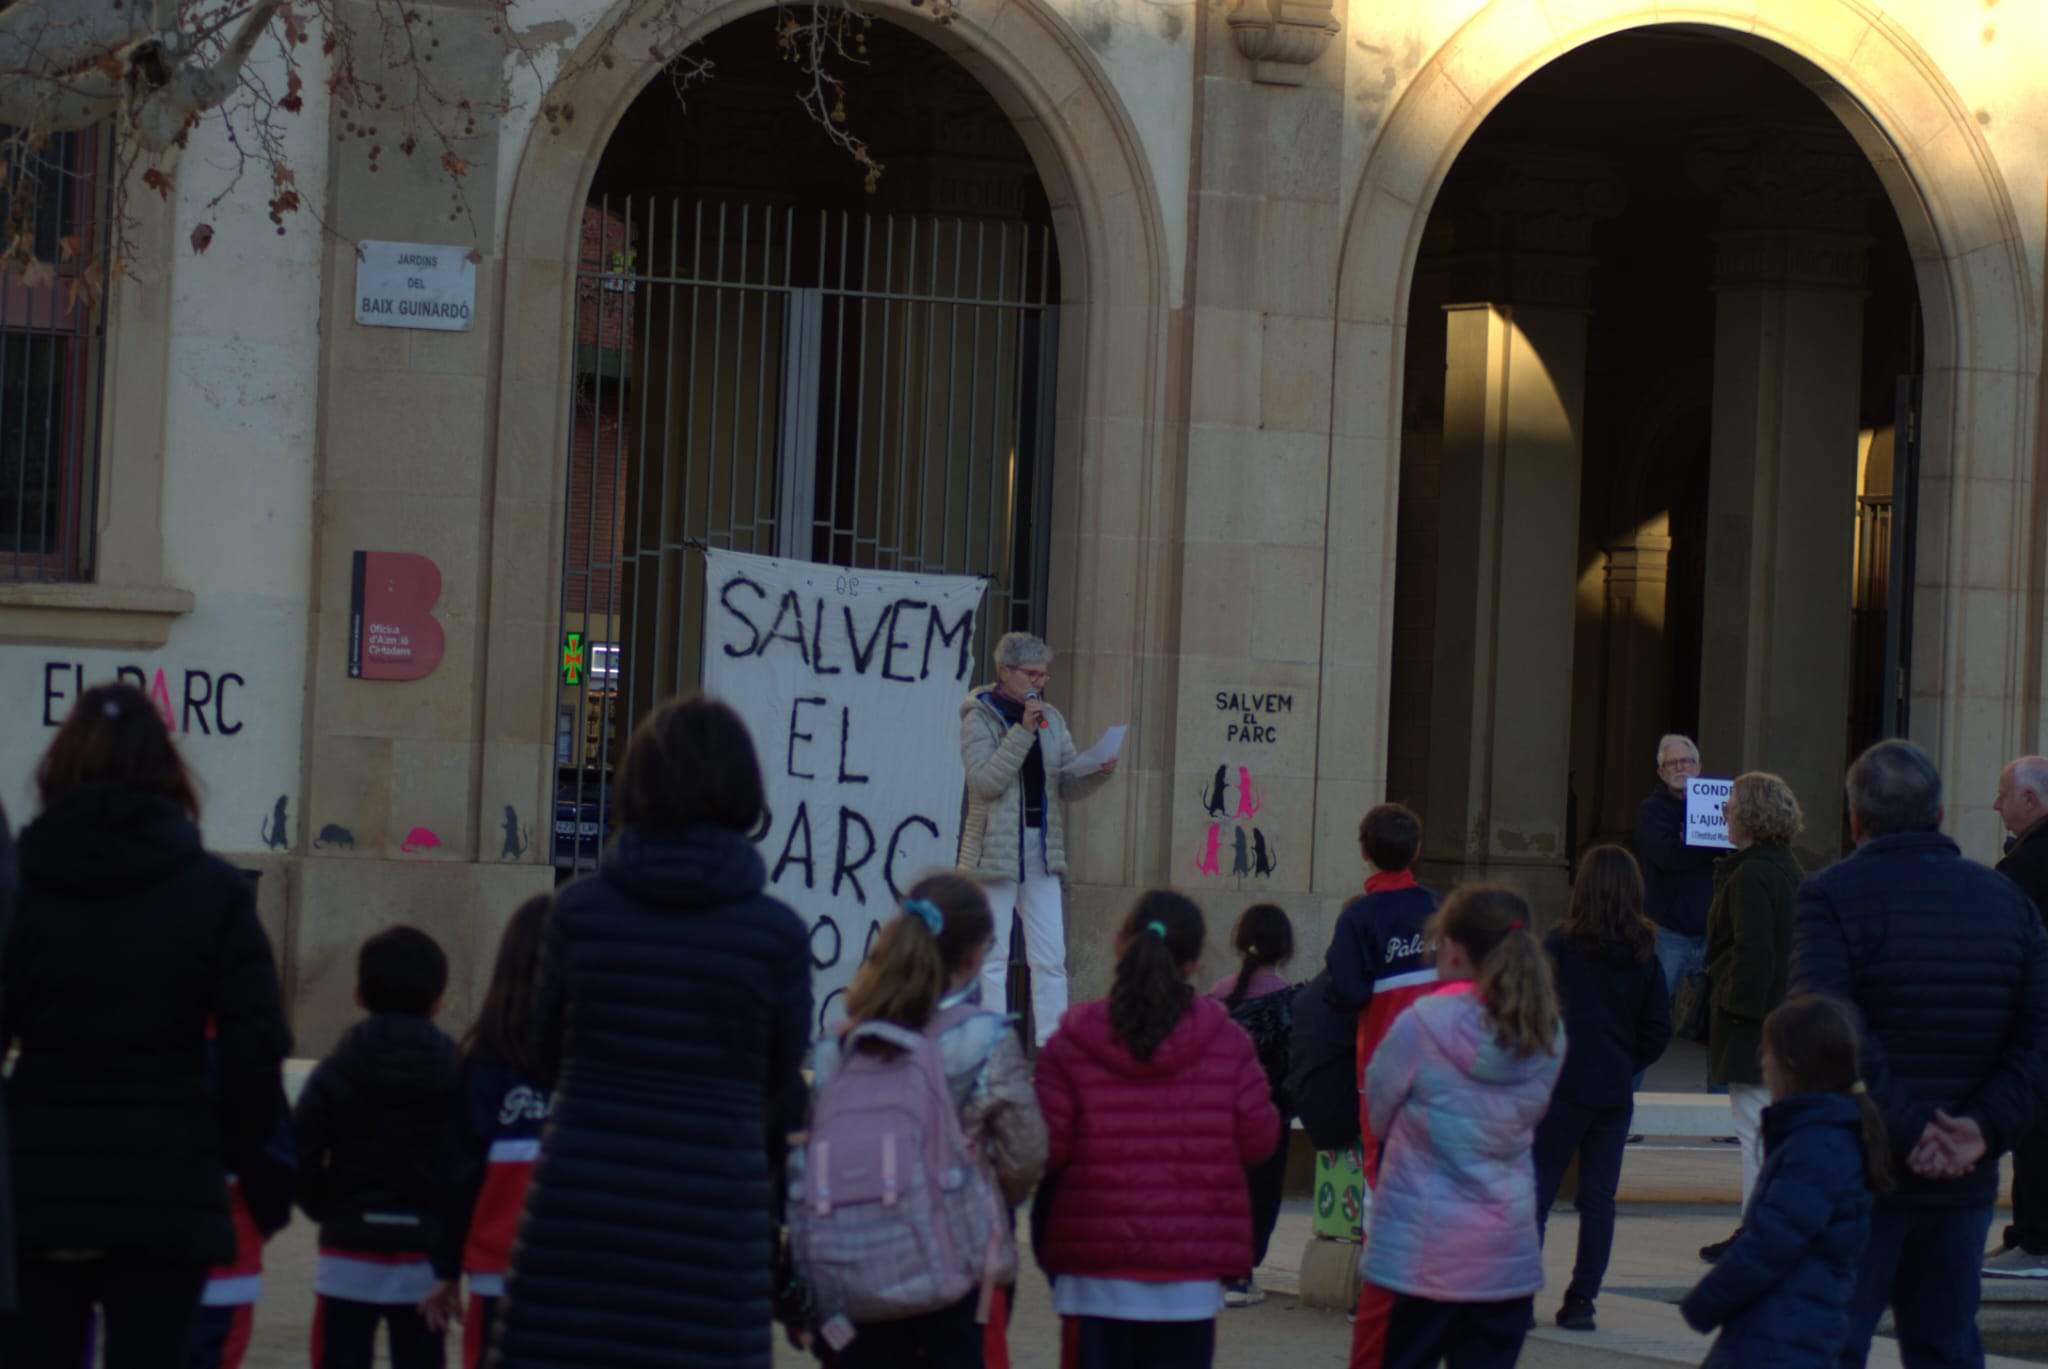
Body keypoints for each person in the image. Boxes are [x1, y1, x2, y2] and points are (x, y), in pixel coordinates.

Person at [495, 695, 812, 1369]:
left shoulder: (577, 913)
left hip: (583, 1198)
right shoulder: (775, 934)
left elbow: (542, 1055)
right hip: (714, 1207)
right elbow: (781, 1083)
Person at [0, 683, 290, 1368]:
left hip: (42, 1179)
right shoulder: (214, 890)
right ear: (169, 771)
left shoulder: (25, 885)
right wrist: (262, 1180)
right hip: (170, 1180)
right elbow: (254, 1050)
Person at [1789, 738, 2048, 1367]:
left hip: (1863, 1162)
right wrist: (1977, 1131)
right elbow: (2038, 1041)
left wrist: (1909, 1129)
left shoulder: (1829, 896)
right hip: (1962, 1170)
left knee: (1834, 1340)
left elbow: (1825, 1030)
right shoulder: (2005, 901)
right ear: (1937, 814)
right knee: (1947, 1345)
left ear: (1855, 819)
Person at [805, 874, 1047, 1368]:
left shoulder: (838, 1046)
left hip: (853, 1265)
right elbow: (1025, 1157)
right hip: (959, 1269)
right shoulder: (985, 1039)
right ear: (977, 955)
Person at [1034, 890, 1280, 1368]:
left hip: (1093, 1274)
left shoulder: (1073, 1039)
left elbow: (1047, 1146)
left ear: (1119, 944)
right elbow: (1260, 1137)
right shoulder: (1227, 1043)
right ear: (1193, 963)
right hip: (1190, 1276)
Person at [1361, 886, 1563, 1369]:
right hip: (1504, 1258)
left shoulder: (1421, 1023)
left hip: (1421, 1256)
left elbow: (1378, 1112)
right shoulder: (1547, 1033)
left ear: (1452, 947)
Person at [1680, 995, 1888, 1367]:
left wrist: (1705, 1302)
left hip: (1784, 1335)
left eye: (1767, 1054)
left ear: (1790, 1065)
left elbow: (1771, 1241)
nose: (1762, 1063)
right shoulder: (1822, 1134)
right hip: (1792, 1327)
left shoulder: (1816, 1145)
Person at [294, 926, 459, 1369]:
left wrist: (325, 1206)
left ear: (359, 995)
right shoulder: (455, 1070)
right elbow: (467, 1161)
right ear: (437, 999)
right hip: (425, 1254)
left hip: (348, 1246)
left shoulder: (340, 1066)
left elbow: (301, 1150)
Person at [1533, 845, 1671, 1332]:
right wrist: (1626, 1061)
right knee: (1598, 1200)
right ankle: (1581, 1300)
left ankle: (1518, 1292)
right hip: (1613, 1088)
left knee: (1538, 1193)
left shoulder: (1560, 944)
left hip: (1562, 1082)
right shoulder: (1644, 951)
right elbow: (1658, 1028)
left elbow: (1536, 1010)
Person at [958, 631, 1118, 1045]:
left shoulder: (1052, 719)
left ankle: (1053, 1046)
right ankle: (991, 1048)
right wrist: (1022, 732)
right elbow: (985, 781)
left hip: (1041, 848)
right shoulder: (980, 715)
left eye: (1044, 676)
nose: (1039, 683)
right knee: (991, 956)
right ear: (1005, 671)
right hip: (994, 850)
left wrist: (1096, 771)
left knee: (1051, 958)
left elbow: (1064, 784)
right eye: (1031, 674)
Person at [1323, 803, 1438, 1367]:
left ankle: (1380, 1293)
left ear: (1364, 851)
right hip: (1441, 1064)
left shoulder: (1360, 917)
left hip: (1382, 1065)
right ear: (1416, 850)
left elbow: (1343, 990)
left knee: (1379, 1179)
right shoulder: (1439, 908)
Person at [419, 895, 554, 1369]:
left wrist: (445, 1266)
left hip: (499, 1262)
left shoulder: (483, 1065)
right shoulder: (599, 1065)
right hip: (585, 1270)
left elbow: (459, 1173)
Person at [1699, 771, 1806, 1265]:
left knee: (1754, 1133)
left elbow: (1753, 953)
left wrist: (1730, 1005)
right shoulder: (1786, 867)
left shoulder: (1750, 874)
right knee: (1768, 1131)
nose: (1724, 813)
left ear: (1750, 815)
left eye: (1731, 806)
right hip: (1783, 1018)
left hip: (1754, 1024)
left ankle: (1757, 1231)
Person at [1210, 902, 1297, 1308]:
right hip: (1267, 1118)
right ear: (1285, 949)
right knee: (1258, 1195)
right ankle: (1241, 1275)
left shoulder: (1218, 996)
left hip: (1218, 1117)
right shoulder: (1287, 1001)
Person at [1985, 754, 2048, 1277]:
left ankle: (2037, 1241)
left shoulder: (2029, 865)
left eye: (2004, 794)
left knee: (2037, 1134)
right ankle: (2029, 1235)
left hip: (2038, 1024)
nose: (1996, 804)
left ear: (2032, 799)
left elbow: (2003, 949)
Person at [1635, 733, 1715, 1000]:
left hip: (1710, 929)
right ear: (1661, 771)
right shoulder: (1651, 810)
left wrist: (1688, 842)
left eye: (1688, 761)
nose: (1681, 767)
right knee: (1658, 1004)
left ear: (1699, 767)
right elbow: (1668, 857)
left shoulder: (1719, 806)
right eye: (1673, 763)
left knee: (1703, 1018)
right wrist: (1708, 847)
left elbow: (1731, 852)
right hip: (1668, 932)